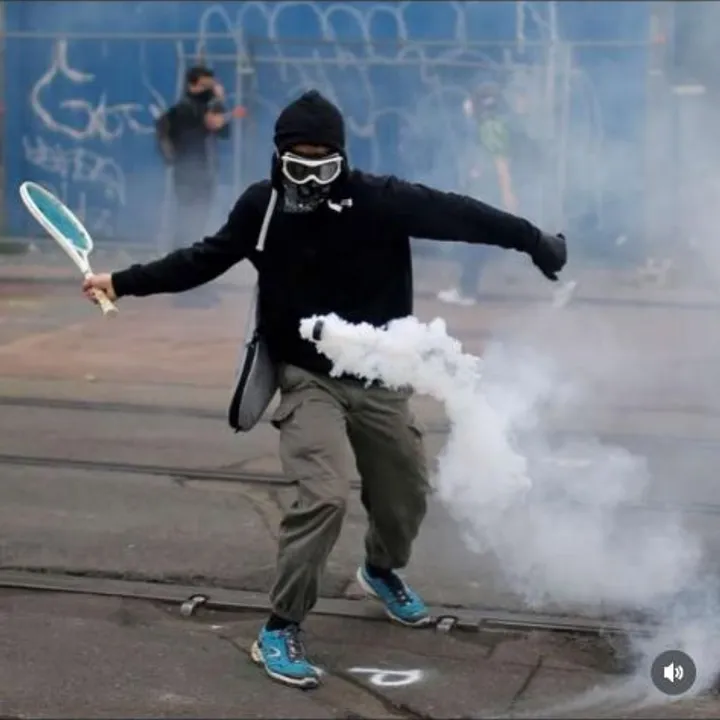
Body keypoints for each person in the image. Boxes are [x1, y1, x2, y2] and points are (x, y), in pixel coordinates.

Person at [83, 89, 567, 690]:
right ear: (278, 159)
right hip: (306, 378)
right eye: (298, 165)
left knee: (405, 494)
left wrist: (533, 239)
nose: (310, 180)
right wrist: (121, 282)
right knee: (325, 496)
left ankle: (381, 571)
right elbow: (203, 259)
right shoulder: (261, 208)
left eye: (323, 165)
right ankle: (279, 627)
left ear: (342, 159)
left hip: (380, 377)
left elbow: (462, 215)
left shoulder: (380, 200)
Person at [438, 82, 521, 307]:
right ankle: (466, 289)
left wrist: (507, 194)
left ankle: (467, 292)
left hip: (489, 192)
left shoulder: (490, 127)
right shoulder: (494, 125)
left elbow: (501, 163)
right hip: (488, 191)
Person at [155, 65, 231, 308]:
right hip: (189, 178)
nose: (209, 89)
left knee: (197, 230)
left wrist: (218, 104)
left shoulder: (203, 107)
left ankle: (194, 283)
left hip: (203, 176)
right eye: (205, 85)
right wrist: (212, 114)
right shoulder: (185, 109)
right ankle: (184, 287)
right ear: (193, 85)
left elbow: (223, 131)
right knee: (188, 229)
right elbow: (190, 137)